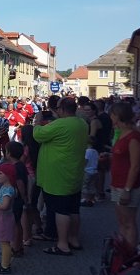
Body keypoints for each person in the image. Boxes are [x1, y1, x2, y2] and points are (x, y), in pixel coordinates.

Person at [34, 97, 88, 256]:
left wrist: (36, 122)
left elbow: (38, 135)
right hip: (75, 172)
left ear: (63, 109)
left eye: (58, 108)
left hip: (58, 174)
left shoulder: (60, 124)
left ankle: (62, 244)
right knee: (73, 209)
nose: (56, 111)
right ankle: (73, 239)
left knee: (61, 211)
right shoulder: (82, 123)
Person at [109, 102, 140, 252]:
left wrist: (127, 189)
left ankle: (130, 254)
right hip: (117, 183)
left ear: (117, 116)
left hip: (128, 185)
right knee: (122, 222)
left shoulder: (133, 137)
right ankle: (124, 253)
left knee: (129, 222)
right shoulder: (121, 133)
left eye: (112, 115)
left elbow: (135, 166)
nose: (110, 118)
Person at [80, 140, 100, 207]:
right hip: (94, 171)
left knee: (84, 186)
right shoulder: (95, 151)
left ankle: (85, 199)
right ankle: (92, 199)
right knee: (92, 185)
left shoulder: (87, 151)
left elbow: (86, 160)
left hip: (87, 171)